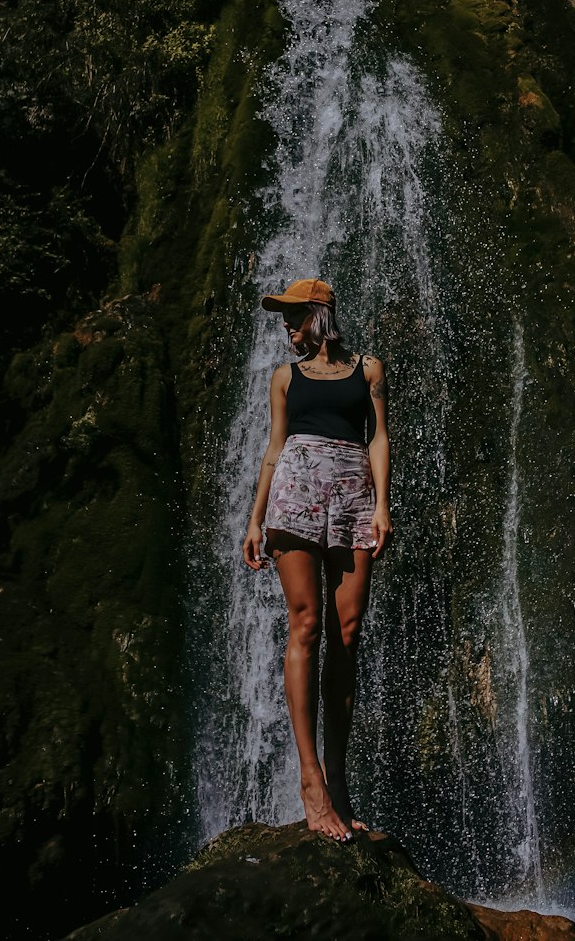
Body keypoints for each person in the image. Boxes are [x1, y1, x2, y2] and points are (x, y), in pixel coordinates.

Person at [242, 277, 392, 842]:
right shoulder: (285, 378)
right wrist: (255, 520)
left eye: (294, 315)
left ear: (319, 314)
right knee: (304, 626)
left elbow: (377, 438)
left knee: (346, 632)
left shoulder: (368, 369)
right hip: (296, 494)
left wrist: (382, 505)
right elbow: (274, 449)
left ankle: (339, 777)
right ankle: (311, 781)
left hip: (354, 495)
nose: (286, 325)